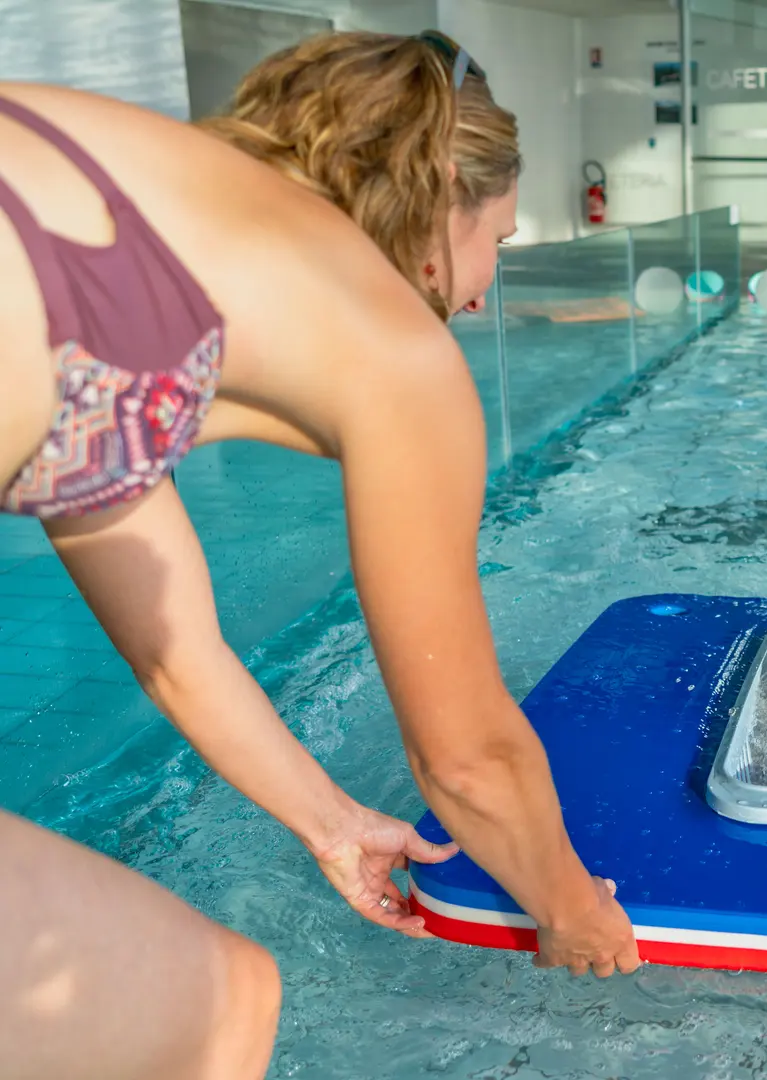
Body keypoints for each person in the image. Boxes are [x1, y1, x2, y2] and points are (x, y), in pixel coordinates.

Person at [0, 31, 637, 1080]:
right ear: (439, 192)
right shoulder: (391, 342)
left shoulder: (151, 227)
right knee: (215, 1014)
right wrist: (573, 909)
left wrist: (334, 823)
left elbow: (176, 652)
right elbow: (469, 755)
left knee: (224, 996)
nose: (481, 293)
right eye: (498, 242)